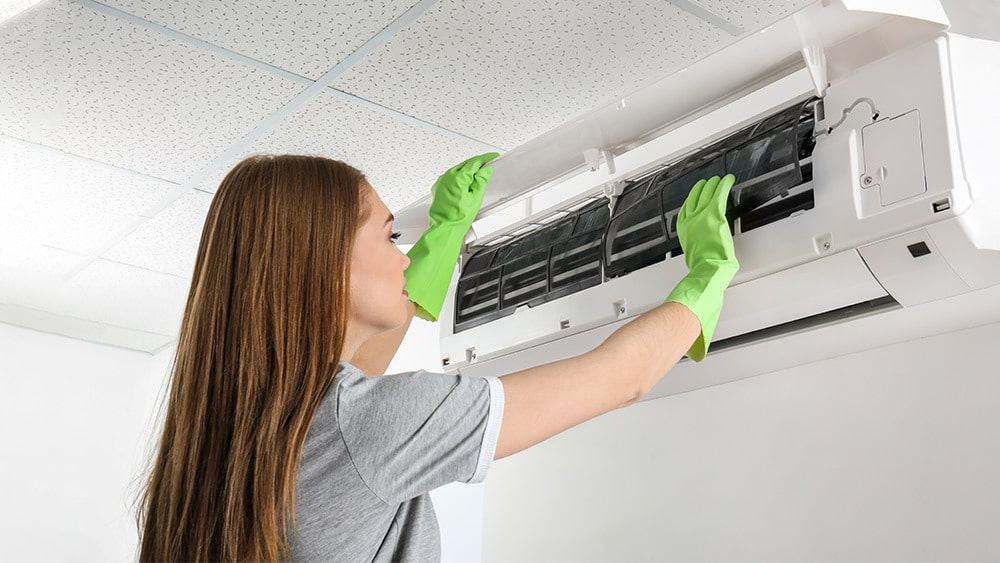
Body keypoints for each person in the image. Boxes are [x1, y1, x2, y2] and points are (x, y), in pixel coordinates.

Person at [136, 152, 739, 562]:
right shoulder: (359, 427)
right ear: (323, 262)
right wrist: (708, 277)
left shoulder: (226, 436)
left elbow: (358, 383)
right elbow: (621, 379)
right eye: (390, 236)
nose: (403, 257)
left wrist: (448, 232)